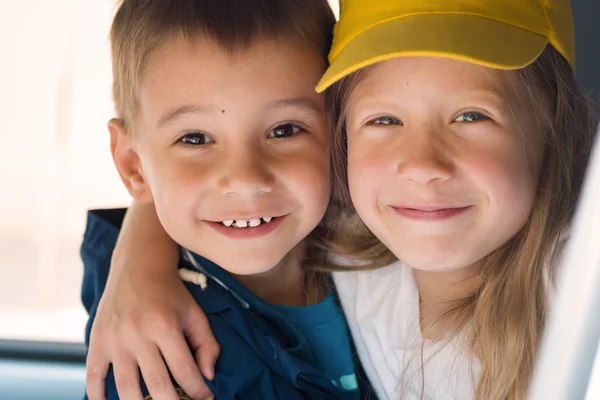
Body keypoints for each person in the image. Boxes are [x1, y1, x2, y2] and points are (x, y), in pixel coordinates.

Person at [86, 0, 598, 399]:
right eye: (384, 120)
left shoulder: (575, 302)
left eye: (472, 116)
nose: (244, 180)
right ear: (345, 136)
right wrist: (139, 260)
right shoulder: (355, 240)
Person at [81, 0, 368, 399]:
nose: (246, 180)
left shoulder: (386, 243)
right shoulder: (151, 355)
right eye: (195, 139)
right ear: (134, 163)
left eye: (284, 130)